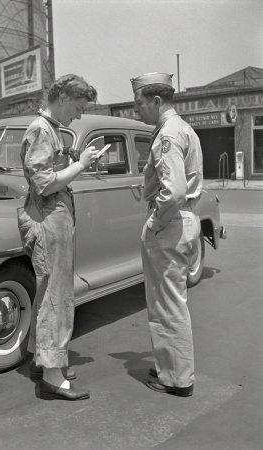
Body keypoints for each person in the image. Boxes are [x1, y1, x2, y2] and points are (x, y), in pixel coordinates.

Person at [17, 74, 98, 400]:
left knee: (48, 291)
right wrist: (80, 165)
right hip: (50, 220)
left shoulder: (49, 129)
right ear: (63, 99)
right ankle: (52, 376)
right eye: (78, 108)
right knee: (57, 296)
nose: (78, 115)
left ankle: (44, 359)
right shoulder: (40, 130)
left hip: (52, 218)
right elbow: (45, 183)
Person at [131, 72, 203, 397]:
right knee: (172, 302)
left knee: (166, 305)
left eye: (139, 103)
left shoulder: (167, 136)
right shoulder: (183, 128)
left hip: (170, 224)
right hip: (185, 220)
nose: (137, 111)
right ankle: (171, 367)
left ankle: (176, 379)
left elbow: (172, 193)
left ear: (156, 101)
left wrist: (154, 222)